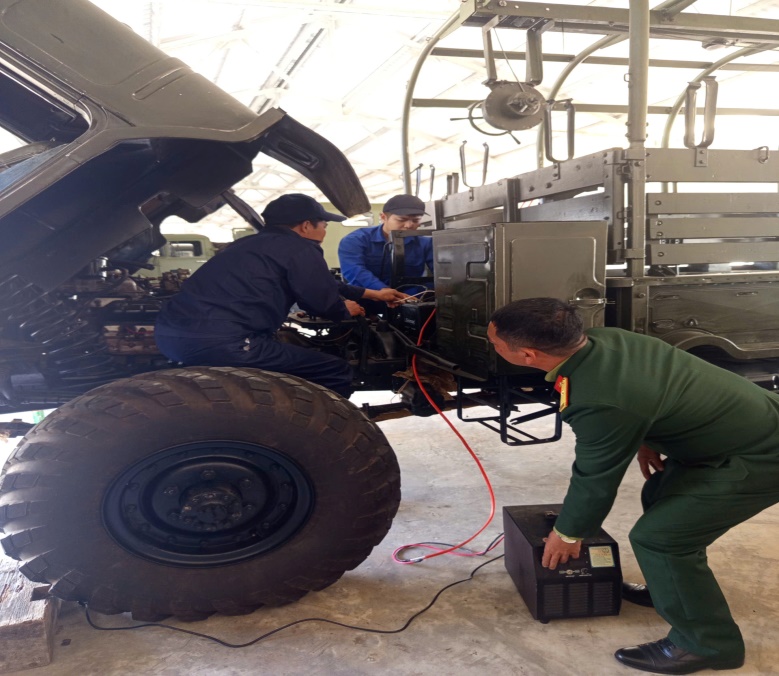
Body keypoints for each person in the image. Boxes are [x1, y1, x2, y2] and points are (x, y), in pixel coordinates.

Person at [487, 297, 779, 675]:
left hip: (761, 456)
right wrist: (644, 438)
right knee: (658, 494)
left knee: (661, 538)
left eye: (495, 343)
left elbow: (596, 476)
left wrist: (569, 532)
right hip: (739, 432)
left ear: (527, 355)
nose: (491, 346)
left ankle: (708, 645)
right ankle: (669, 587)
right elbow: (656, 385)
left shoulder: (598, 398)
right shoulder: (607, 340)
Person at [154, 193, 405, 398]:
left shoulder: (248, 244)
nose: (324, 232)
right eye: (324, 225)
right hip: (226, 342)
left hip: (171, 337)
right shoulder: (301, 248)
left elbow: (323, 282)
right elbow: (321, 303)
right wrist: (343, 310)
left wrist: (373, 294)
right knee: (335, 370)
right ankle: (315, 432)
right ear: (306, 226)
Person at [338, 194, 434, 311]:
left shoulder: (426, 243)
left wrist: (417, 294)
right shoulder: (355, 240)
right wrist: (382, 290)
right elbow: (354, 271)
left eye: (416, 220)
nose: (409, 225)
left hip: (408, 300)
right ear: (383, 217)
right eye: (401, 220)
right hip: (367, 300)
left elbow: (441, 274)